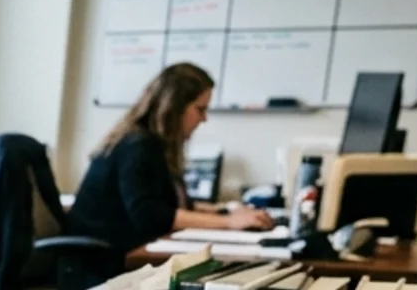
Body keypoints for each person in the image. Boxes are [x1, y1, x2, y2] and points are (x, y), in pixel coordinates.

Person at [67, 62, 273, 256]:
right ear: (174, 107)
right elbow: (150, 215)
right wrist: (228, 222)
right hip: (99, 262)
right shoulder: (137, 145)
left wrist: (228, 211)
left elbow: (172, 206)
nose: (204, 118)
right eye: (200, 109)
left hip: (121, 253)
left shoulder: (153, 144)